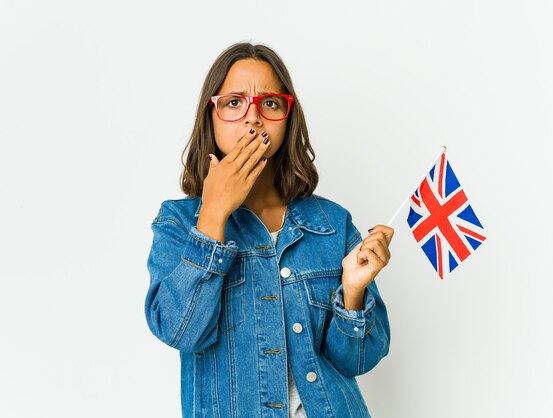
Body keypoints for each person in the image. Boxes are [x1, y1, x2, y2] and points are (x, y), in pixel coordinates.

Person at [144, 41, 394, 418]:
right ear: (210, 116)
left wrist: (354, 292)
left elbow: (359, 359)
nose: (253, 117)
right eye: (233, 102)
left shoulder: (331, 224)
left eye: (270, 103)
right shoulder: (177, 222)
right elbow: (180, 331)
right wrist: (213, 213)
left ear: (287, 118)